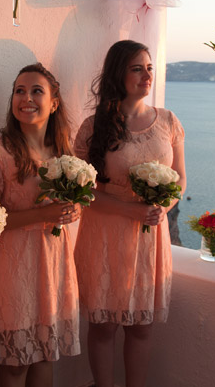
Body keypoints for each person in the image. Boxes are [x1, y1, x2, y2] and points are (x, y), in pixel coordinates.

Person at [74, 40, 186, 387]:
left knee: (141, 326)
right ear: (118, 74)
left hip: (150, 237)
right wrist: (130, 210)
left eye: (150, 68)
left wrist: (160, 207)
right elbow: (83, 192)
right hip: (106, 235)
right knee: (104, 325)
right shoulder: (93, 126)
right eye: (137, 68)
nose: (146, 75)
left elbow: (180, 179)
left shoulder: (168, 121)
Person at [0, 63, 81, 387]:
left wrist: (74, 206)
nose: (26, 98)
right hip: (14, 266)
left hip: (52, 262)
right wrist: (43, 215)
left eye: (37, 91)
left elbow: (71, 201)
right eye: (19, 91)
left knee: (45, 356)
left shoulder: (63, 151)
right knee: (17, 362)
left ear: (54, 102)